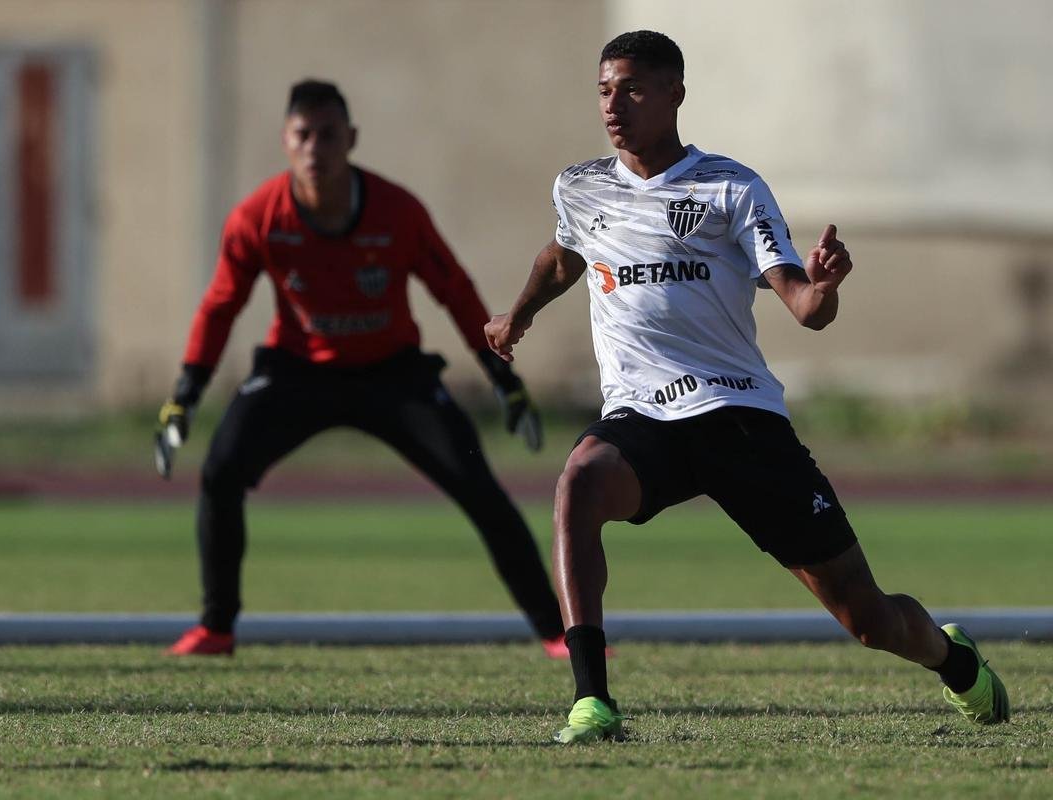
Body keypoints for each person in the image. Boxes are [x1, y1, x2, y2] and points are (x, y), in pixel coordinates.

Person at [484, 30, 1010, 743]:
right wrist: (518, 314)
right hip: (642, 417)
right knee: (578, 483)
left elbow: (804, 306)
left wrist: (823, 288)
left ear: (674, 93)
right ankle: (592, 700)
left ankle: (953, 659)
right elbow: (562, 256)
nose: (613, 105)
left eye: (632, 89)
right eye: (605, 90)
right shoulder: (581, 187)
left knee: (867, 618)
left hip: (739, 417)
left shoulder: (730, 187)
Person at [156, 79, 568, 658]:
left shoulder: (397, 212)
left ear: (351, 139)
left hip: (392, 375)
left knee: (477, 484)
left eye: (328, 135)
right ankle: (216, 629)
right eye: (303, 135)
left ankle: (557, 633)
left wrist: (505, 380)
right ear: (285, 140)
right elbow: (221, 305)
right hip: (297, 372)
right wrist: (185, 394)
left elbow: (454, 291)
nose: (315, 149)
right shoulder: (258, 217)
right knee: (220, 472)